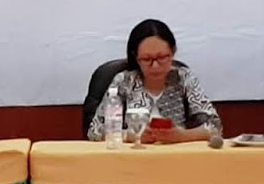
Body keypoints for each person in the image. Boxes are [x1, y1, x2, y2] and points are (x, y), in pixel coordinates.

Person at [87, 18, 220, 144]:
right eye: (146, 59)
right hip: (133, 155)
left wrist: (181, 136)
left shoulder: (184, 78)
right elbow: (95, 131)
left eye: (162, 57)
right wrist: (132, 136)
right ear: (136, 57)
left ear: (173, 52)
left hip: (176, 155)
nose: (155, 66)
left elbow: (215, 127)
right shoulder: (124, 81)